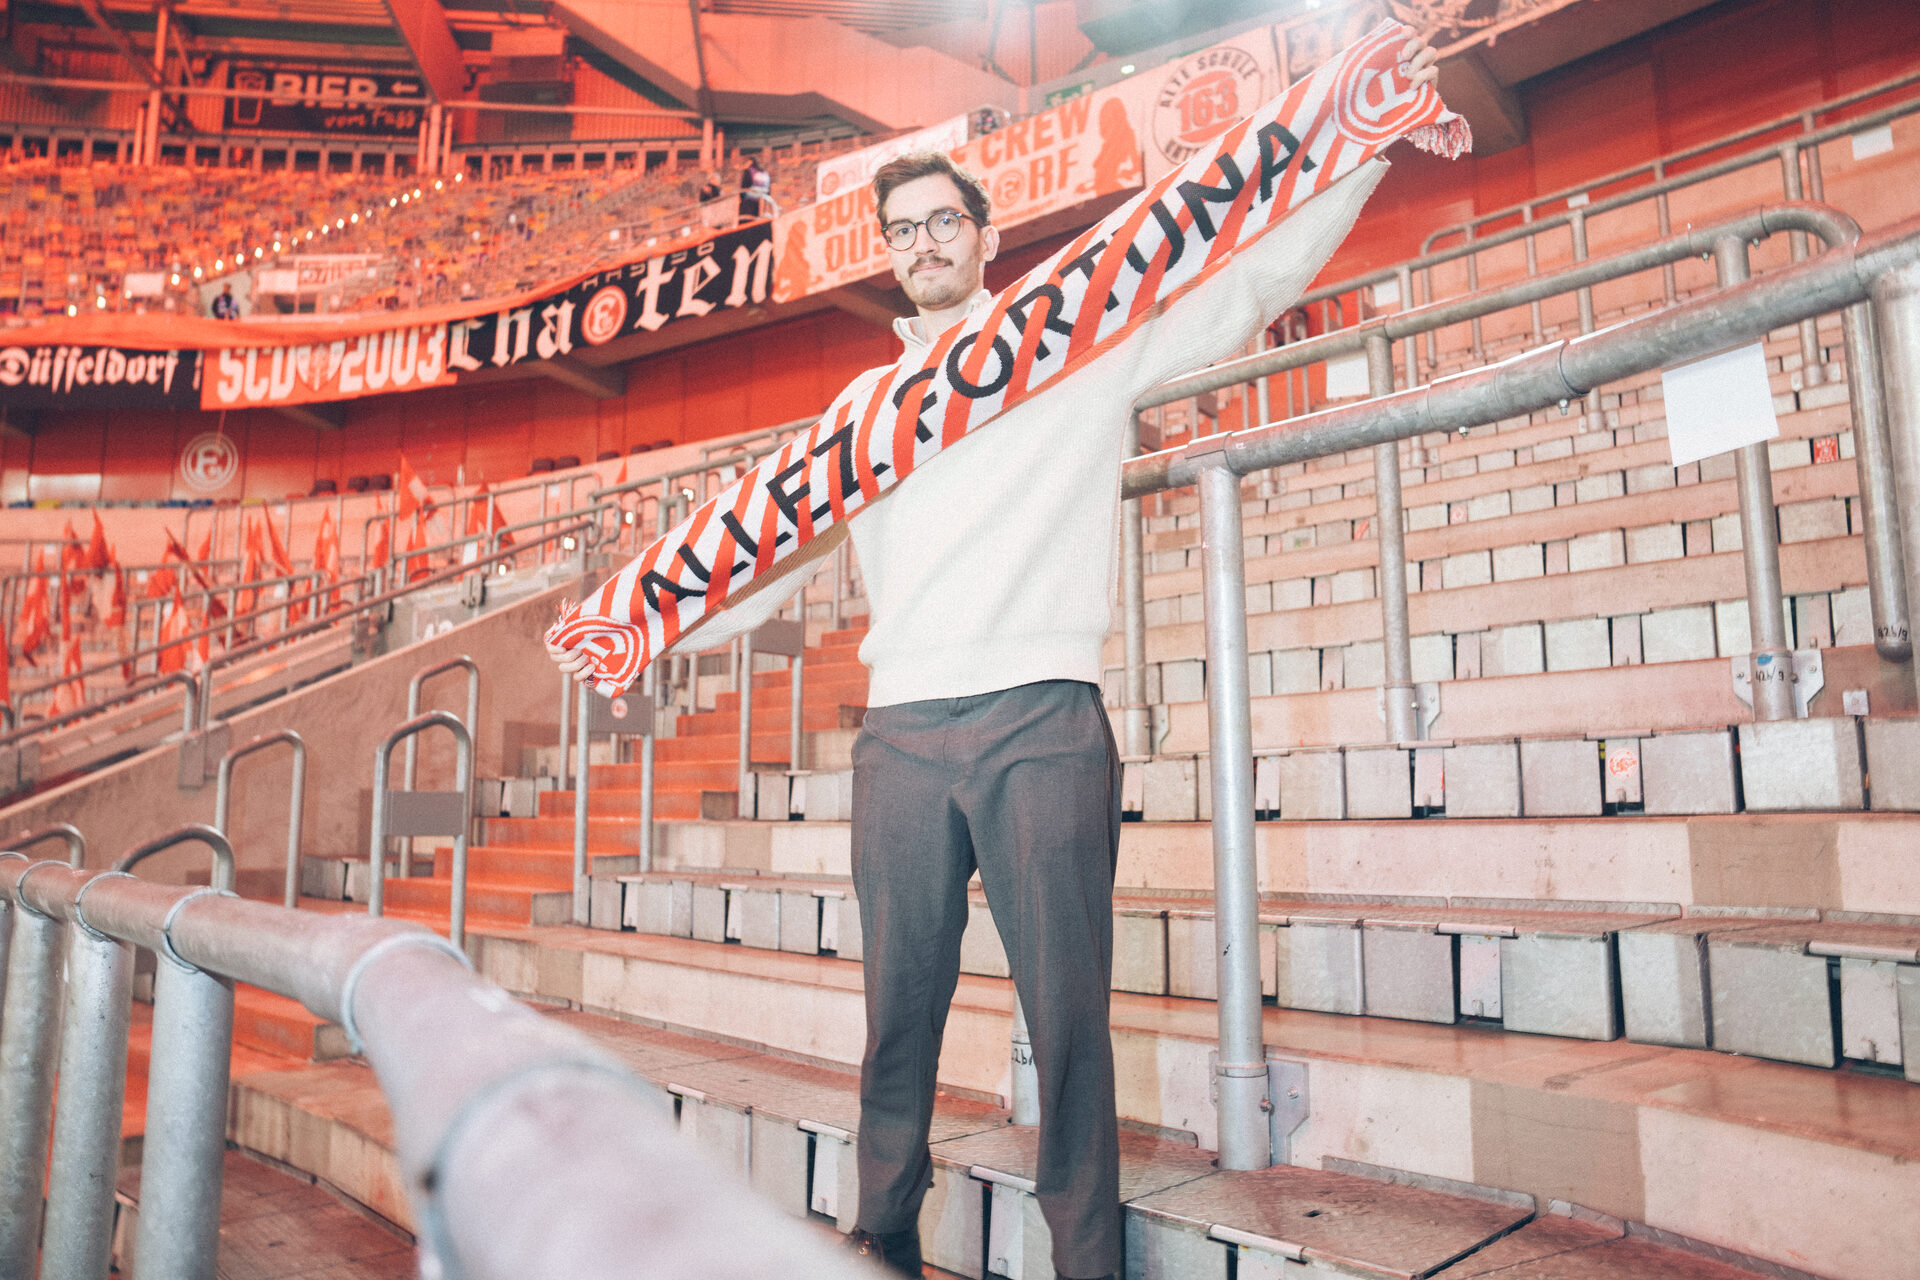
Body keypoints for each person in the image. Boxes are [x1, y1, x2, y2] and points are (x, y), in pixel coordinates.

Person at [547, 29, 1439, 1280]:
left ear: (983, 234)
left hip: (1044, 719)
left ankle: (1086, 1258)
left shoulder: (1067, 342)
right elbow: (761, 553)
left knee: (1068, 1020)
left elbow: (1236, 279)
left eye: (941, 222)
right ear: (891, 253)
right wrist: (644, 622)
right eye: (902, 230)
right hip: (903, 735)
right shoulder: (859, 418)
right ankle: (884, 1233)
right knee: (897, 1014)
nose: (923, 243)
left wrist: (1365, 142)